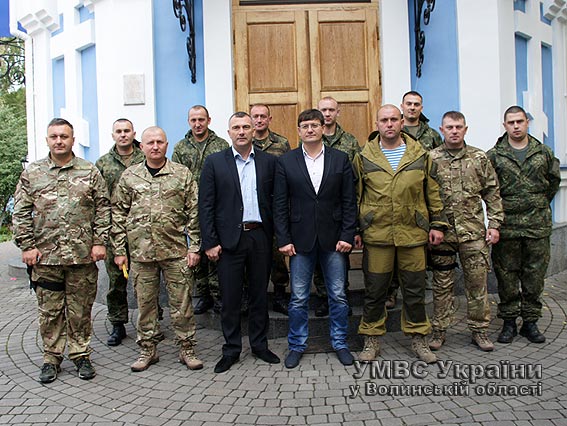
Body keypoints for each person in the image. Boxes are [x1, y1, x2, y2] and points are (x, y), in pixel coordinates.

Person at [13, 118, 111, 383]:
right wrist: (27, 246)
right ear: (47, 140)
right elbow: (20, 212)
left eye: (64, 136)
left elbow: (103, 208)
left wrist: (99, 241)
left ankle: (81, 354)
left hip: (82, 256)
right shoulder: (33, 173)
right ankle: (51, 357)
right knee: (50, 311)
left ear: (72, 139)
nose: (59, 141)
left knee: (80, 310)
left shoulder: (89, 171)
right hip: (46, 258)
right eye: (54, 136)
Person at [354, 105, 447, 364]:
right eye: (384, 120)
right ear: (376, 124)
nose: (389, 124)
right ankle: (371, 338)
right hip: (377, 233)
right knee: (375, 291)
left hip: (413, 233)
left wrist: (437, 224)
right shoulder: (364, 157)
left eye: (394, 119)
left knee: (415, 290)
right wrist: (356, 228)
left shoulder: (419, 155)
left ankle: (419, 338)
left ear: (402, 122)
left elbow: (433, 191)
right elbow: (355, 195)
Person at [112, 126, 203, 372]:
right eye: (150, 142)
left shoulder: (181, 174)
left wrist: (194, 247)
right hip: (141, 253)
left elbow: (194, 212)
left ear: (167, 145)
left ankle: (186, 348)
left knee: (182, 304)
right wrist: (119, 250)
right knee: (146, 305)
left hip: (175, 251)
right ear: (141, 146)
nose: (155, 146)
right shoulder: (130, 176)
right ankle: (148, 349)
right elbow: (118, 213)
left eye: (160, 142)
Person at [274, 109, 357, 369]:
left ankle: (340, 343)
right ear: (299, 131)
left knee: (338, 295)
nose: (310, 130)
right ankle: (297, 345)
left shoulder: (340, 159)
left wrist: (347, 234)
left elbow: (349, 200)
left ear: (323, 128)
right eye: (305, 126)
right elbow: (280, 204)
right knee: (299, 297)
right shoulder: (286, 161)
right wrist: (283, 238)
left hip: (334, 240)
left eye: (314, 125)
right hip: (299, 241)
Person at [199, 112, 280, 374]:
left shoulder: (269, 162)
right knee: (230, 298)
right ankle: (231, 349)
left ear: (254, 131)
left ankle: (259, 345)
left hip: (259, 237)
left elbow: (278, 201)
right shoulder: (214, 162)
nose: (242, 131)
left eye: (246, 127)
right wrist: (210, 242)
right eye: (236, 127)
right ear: (229, 132)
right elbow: (206, 205)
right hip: (228, 241)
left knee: (259, 295)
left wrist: (279, 236)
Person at [428, 111, 504, 352]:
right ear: (441, 130)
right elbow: (424, 195)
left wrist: (494, 224)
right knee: (441, 285)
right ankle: (439, 330)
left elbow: (492, 191)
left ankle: (479, 331)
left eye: (458, 127)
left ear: (465, 129)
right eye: (449, 127)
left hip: (473, 234)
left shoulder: (479, 157)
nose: (454, 131)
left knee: (477, 285)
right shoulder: (431, 159)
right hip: (443, 235)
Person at [487, 105, 560, 344]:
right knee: (506, 275)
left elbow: (553, 181)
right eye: (511, 122)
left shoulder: (543, 152)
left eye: (520, 121)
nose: (516, 126)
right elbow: (489, 188)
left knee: (534, 275)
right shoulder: (494, 155)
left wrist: (536, 203)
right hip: (507, 225)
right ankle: (508, 322)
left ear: (527, 122)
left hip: (537, 225)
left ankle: (530, 322)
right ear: (505, 125)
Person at [382, 91, 444, 309]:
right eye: (408, 104)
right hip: (390, 206)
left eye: (416, 104)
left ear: (421, 108)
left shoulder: (432, 135)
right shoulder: (389, 133)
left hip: (418, 203)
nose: (412, 107)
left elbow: (436, 169)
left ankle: (418, 291)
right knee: (391, 254)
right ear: (402, 107)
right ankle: (391, 292)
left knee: (416, 254)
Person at [172, 105, 229, 315]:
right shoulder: (180, 148)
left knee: (216, 250)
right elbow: (176, 177)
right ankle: (203, 294)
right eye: (193, 120)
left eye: (201, 120)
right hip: (190, 207)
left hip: (216, 206)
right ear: (189, 122)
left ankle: (219, 295)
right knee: (197, 250)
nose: (197, 124)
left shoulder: (221, 145)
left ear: (208, 120)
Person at [96, 118, 145, 346]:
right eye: (119, 131)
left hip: (143, 229)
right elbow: (98, 198)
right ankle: (117, 324)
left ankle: (151, 322)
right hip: (115, 230)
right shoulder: (103, 163)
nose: (123, 134)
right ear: (113, 135)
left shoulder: (144, 157)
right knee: (116, 281)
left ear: (134, 133)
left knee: (147, 279)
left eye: (127, 131)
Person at [313, 96, 361, 317]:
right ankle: (324, 297)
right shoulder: (311, 138)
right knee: (318, 258)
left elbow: (356, 180)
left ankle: (342, 296)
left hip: (341, 210)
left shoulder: (350, 142)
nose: (327, 113)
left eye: (331, 110)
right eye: (323, 110)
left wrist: (355, 223)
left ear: (338, 112)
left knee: (340, 257)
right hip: (317, 211)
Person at [251, 103, 291, 315]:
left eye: (263, 116)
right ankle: (251, 296)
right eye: (255, 116)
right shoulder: (245, 142)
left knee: (277, 252)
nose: (259, 120)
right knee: (251, 252)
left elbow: (289, 171)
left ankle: (280, 293)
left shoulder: (281, 143)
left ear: (269, 119)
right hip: (251, 205)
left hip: (275, 205)